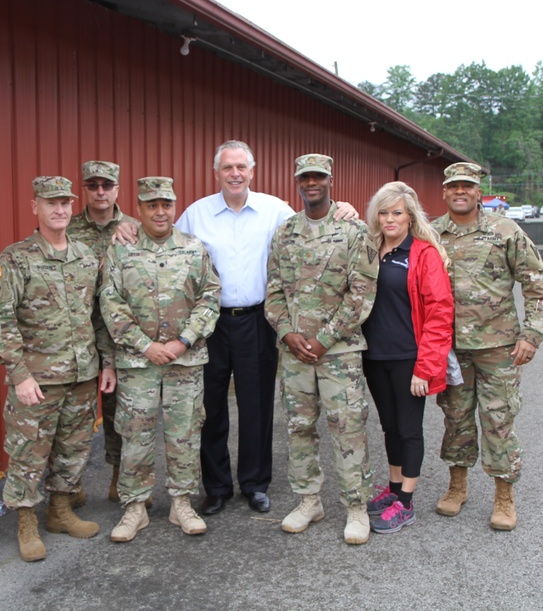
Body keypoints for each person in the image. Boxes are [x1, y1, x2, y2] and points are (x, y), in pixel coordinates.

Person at [173, 140, 358, 517]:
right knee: (210, 408)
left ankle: (255, 484)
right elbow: (168, 247)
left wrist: (345, 209)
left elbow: (315, 221)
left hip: (259, 320)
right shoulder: (196, 215)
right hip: (211, 323)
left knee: (257, 406)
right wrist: (126, 231)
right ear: (217, 173)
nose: (235, 174)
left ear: (252, 172)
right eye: (228, 168)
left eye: (242, 167)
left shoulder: (275, 211)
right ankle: (217, 487)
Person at [0, 176, 113, 563]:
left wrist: (106, 363)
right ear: (34, 207)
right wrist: (19, 374)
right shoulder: (15, 258)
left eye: (65, 203)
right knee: (29, 451)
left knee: (74, 449)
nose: (59, 209)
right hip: (37, 380)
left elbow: (100, 316)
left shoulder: (87, 256)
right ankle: (26, 522)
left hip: (82, 374)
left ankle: (59, 512)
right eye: (50, 203)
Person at [432, 162, 543, 531]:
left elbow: (535, 286)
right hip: (451, 348)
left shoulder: (506, 231)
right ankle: (457, 486)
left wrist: (532, 335)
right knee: (455, 419)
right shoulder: (433, 234)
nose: (460, 192)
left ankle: (504, 495)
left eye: (467, 186)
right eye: (454, 186)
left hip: (498, 347)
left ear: (478, 190)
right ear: (444, 192)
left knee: (499, 421)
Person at [265, 154, 378, 545]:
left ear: (330, 180)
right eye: (305, 177)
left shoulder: (353, 231)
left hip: (340, 352)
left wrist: (324, 339)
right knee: (299, 428)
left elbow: (361, 294)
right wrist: (286, 333)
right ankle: (309, 500)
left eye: (318, 177)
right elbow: (274, 290)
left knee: (347, 428)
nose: (311, 183)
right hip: (295, 353)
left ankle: (356, 507)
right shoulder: (286, 232)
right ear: (297, 181)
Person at [100, 177, 221, 542]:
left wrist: (184, 341)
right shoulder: (121, 250)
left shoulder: (193, 247)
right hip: (138, 363)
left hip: (184, 362)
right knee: (134, 435)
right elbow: (110, 302)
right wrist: (144, 345)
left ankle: (181, 503)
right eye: (152, 205)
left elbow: (210, 297)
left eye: (166, 204)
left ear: (174, 206)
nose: (160, 211)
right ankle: (135, 507)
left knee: (184, 434)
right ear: (139, 209)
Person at [360, 181, 454, 535]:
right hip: (375, 356)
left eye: (396, 213)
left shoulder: (424, 254)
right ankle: (394, 487)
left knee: (409, 429)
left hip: (409, 359)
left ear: (410, 216)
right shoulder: (371, 249)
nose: (389, 219)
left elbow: (440, 313)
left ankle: (407, 502)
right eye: (383, 213)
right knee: (389, 427)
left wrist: (425, 369)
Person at [65, 160, 138, 504]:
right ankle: (70, 484)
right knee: (74, 417)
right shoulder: (67, 227)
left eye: (106, 185)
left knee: (119, 411)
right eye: (92, 185)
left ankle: (119, 477)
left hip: (120, 334)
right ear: (84, 189)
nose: (100, 192)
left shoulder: (134, 229)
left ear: (117, 189)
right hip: (76, 334)